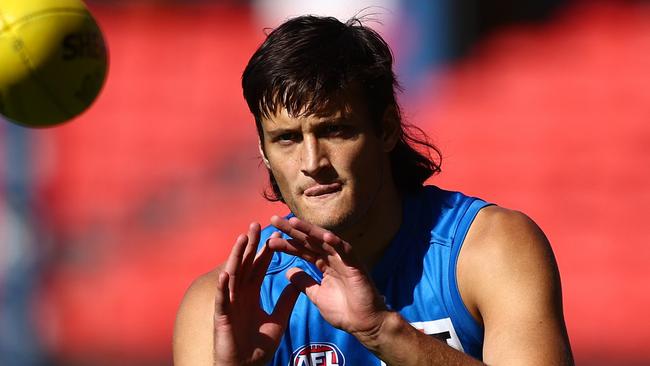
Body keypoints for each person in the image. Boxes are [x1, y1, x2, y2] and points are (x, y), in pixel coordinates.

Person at [173, 15, 573, 366]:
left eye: (335, 130)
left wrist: (383, 332)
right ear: (263, 151)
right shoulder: (218, 307)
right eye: (287, 139)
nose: (312, 162)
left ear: (386, 129)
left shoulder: (490, 249)